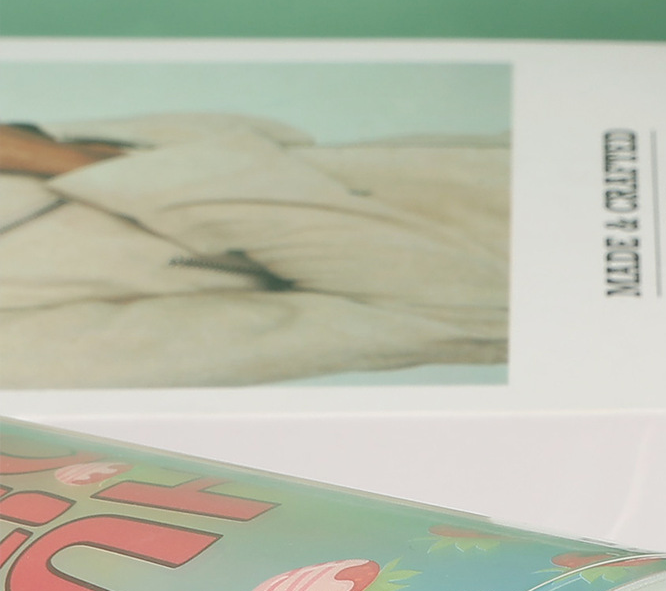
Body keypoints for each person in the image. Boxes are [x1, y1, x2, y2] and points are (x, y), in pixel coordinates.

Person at [0, 111, 509, 387]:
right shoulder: (19, 357)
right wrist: (58, 159)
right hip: (522, 279)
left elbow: (258, 132)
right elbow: (446, 308)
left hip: (505, 163)